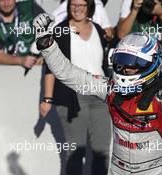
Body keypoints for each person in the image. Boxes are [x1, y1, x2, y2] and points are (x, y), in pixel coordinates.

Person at [33, 13, 162, 175]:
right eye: (122, 62)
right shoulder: (112, 89)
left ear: (150, 64)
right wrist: (47, 44)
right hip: (117, 170)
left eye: (132, 64)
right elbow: (69, 74)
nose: (125, 69)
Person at [39, 0, 111, 174]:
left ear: (90, 7)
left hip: (100, 97)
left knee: (102, 151)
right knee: (75, 151)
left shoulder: (98, 30)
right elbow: (51, 68)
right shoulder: (60, 31)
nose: (77, 9)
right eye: (74, 5)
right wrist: (47, 99)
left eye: (82, 5)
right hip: (72, 96)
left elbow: (102, 64)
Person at [0, 0, 44, 68]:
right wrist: (21, 60)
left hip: (38, 66)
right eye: (2, 0)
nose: (6, 3)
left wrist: (44, 56)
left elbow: (50, 32)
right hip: (5, 70)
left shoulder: (31, 9)